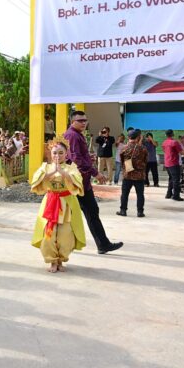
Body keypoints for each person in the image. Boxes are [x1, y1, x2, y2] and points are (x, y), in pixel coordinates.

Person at [64, 111, 123, 254]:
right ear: (72, 122)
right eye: (80, 120)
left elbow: (78, 156)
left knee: (89, 212)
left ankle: (102, 244)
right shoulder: (72, 135)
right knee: (77, 213)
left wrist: (88, 157)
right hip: (76, 182)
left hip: (81, 182)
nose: (84, 122)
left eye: (85, 120)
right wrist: (94, 172)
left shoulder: (77, 134)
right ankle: (64, 244)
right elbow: (75, 159)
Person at [31, 137, 85, 273]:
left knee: (66, 234)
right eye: (55, 152)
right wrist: (51, 173)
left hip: (67, 204)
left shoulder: (71, 168)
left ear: (66, 154)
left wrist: (63, 173)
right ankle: (52, 261)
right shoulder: (45, 167)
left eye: (61, 153)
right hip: (50, 203)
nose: (57, 156)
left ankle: (61, 259)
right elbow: (36, 182)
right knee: (48, 234)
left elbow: (78, 183)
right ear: (50, 153)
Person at [116, 129, 148, 218]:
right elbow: (146, 161)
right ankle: (140, 212)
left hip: (127, 175)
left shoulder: (124, 148)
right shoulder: (143, 148)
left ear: (128, 137)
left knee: (125, 194)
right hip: (139, 176)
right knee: (140, 194)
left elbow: (122, 161)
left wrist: (127, 168)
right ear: (138, 137)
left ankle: (123, 210)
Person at [162, 129, 184, 201]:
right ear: (173, 134)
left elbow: (165, 151)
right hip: (174, 163)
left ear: (166, 135)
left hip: (167, 163)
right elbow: (181, 152)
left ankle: (168, 194)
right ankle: (176, 195)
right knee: (176, 180)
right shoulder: (175, 142)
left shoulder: (164, 143)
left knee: (171, 179)